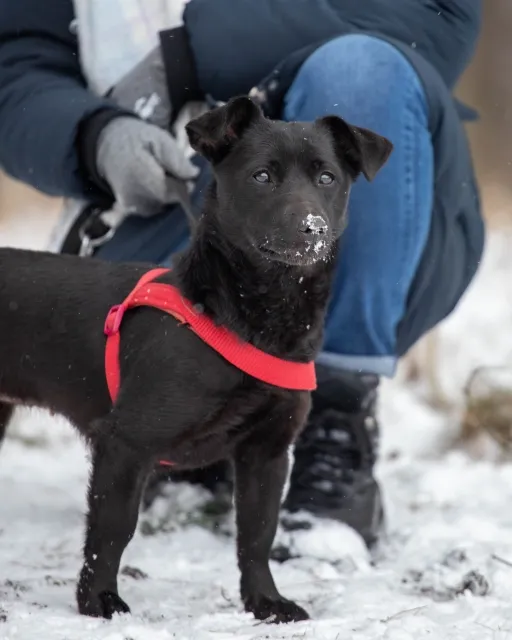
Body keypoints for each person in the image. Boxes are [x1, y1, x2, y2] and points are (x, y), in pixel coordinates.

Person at [0, 0, 484, 549]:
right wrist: (93, 133)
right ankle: (194, 426)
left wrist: (188, 52)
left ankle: (335, 422)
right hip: (159, 212)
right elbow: (15, 65)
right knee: (160, 323)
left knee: (360, 71)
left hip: (384, 231)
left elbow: (436, 14)